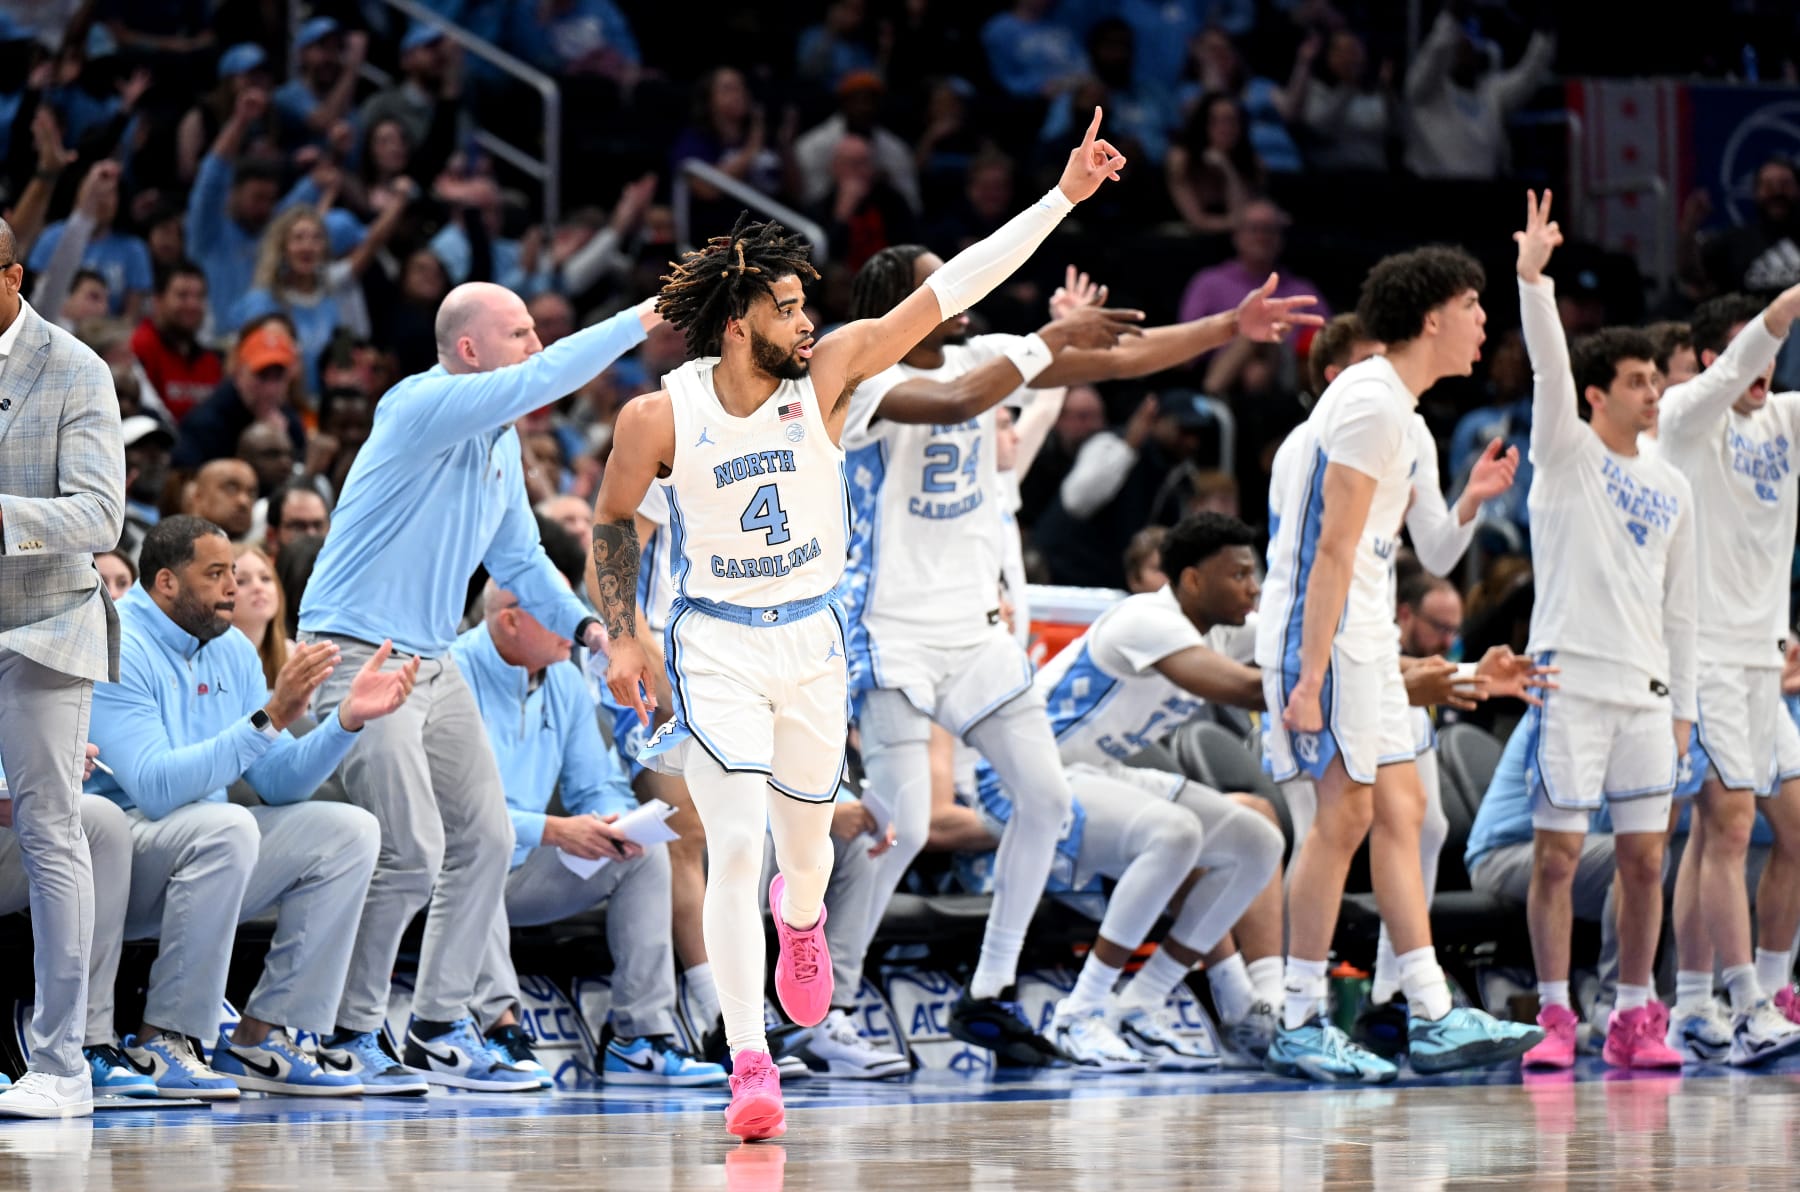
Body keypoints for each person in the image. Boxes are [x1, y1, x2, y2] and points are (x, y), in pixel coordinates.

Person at [590, 110, 1127, 1141]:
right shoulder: (658, 416)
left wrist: (1063, 198)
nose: (809, 322)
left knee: (806, 861)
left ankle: (805, 927)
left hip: (814, 642)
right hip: (716, 645)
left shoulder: (832, 374)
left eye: (808, 308)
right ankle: (751, 1060)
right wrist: (625, 632)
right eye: (789, 309)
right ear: (739, 322)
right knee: (734, 847)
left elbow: (949, 290)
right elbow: (615, 522)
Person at [837, 247, 1318, 1063]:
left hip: (972, 633)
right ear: (906, 300)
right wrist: (1047, 341)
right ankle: (829, 1004)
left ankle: (988, 994)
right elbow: (960, 398)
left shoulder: (986, 356)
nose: (965, 287)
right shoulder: (865, 386)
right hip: (889, 632)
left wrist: (1223, 327)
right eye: (942, 277)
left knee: (1048, 801)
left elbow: (1119, 355)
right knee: (906, 825)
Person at [297, 277, 657, 1092]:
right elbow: (544, 380)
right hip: (358, 653)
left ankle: (433, 1025)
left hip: (429, 660)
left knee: (488, 837)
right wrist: (642, 319)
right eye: (522, 332)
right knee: (412, 849)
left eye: (537, 333)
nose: (535, 347)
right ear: (470, 351)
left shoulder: (499, 443)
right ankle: (348, 1032)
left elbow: (522, 562)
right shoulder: (417, 405)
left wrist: (591, 631)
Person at [1257, 237, 1542, 1083]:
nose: (1485, 323)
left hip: (1370, 631)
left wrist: (1471, 502)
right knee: (1342, 815)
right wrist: (1308, 676)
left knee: (1407, 809)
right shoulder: (1369, 400)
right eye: (1474, 307)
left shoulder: (1408, 415)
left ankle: (1430, 1009)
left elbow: (1436, 549)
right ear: (1430, 317)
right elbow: (1332, 548)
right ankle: (1302, 1016)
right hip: (1329, 630)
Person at [84, 516, 417, 1097]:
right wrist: (271, 716)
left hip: (211, 852)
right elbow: (155, 789)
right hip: (116, 863)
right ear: (166, 582)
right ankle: (164, 1039)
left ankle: (261, 1036)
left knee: (350, 831)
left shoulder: (232, 648)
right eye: (215, 575)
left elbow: (279, 783)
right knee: (227, 824)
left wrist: (345, 721)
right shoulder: (118, 643)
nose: (233, 591)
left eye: (233, 574)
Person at [1512, 190, 1694, 1070]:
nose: (1654, 394)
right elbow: (1548, 370)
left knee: (1646, 863)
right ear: (1597, 396)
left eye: (1658, 383)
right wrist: (1534, 283)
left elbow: (1681, 607)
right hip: (1570, 680)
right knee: (1553, 859)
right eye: (1637, 382)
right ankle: (1553, 1014)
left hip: (1647, 693)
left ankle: (1633, 1014)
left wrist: (1686, 704)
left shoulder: (1672, 485)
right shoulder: (1566, 454)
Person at [996, 514, 1285, 1068]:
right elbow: (1248, 688)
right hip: (1029, 776)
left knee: (1258, 840)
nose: (1254, 588)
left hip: (1094, 772)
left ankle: (1142, 1001)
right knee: (1176, 833)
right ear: (1195, 580)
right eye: (1241, 575)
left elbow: (1307, 646)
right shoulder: (1147, 619)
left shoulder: (1222, 626)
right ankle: (1078, 1013)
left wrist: (1437, 676)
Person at [454, 583, 727, 1086]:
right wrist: (553, 830)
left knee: (642, 854)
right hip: (451, 872)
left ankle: (639, 1037)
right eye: (562, 617)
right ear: (511, 620)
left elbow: (595, 783)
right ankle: (500, 1030)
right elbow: (454, 818)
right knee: (483, 852)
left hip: (526, 869)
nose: (582, 632)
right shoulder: (452, 676)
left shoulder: (562, 676)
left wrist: (615, 823)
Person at [1654, 283, 1800, 1065]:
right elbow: (1750, 345)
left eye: (1772, 354)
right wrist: (1784, 308)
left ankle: (1759, 997)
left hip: (1761, 661)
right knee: (1727, 826)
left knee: (1791, 830)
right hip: (1700, 656)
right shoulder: (1683, 417)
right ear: (1713, 359)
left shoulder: (1787, 417)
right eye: (1749, 351)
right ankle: (1741, 1007)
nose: (1764, 366)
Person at [0, 216, 124, 1119]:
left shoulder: (76, 367)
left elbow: (99, 518)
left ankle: (61, 1064)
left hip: (44, 625)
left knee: (49, 828)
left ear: (10, 276)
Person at [130, 260, 221, 421]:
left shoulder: (211, 362)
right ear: (157, 301)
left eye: (199, 296)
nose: (192, 304)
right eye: (182, 295)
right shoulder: (139, 347)